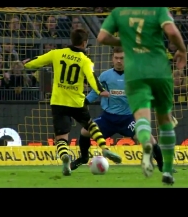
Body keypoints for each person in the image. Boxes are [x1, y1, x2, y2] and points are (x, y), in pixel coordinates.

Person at [97, 7, 187, 185]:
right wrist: (182, 50)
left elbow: (101, 38)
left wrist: (123, 40)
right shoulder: (158, 10)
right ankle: (167, 170)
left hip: (135, 72)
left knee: (142, 120)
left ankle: (145, 141)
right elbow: (172, 31)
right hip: (159, 69)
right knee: (166, 122)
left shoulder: (118, 12)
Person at [23, 28, 122, 176]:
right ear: (84, 42)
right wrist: (101, 91)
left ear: (72, 40)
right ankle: (105, 148)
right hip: (76, 102)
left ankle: (65, 156)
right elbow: (92, 78)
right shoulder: (85, 60)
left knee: (61, 138)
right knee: (90, 125)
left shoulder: (56, 53)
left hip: (58, 102)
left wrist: (25, 64)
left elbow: (36, 62)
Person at [70, 46, 178, 173]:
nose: (119, 61)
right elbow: (96, 92)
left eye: (122, 58)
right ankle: (83, 158)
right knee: (85, 131)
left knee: (149, 139)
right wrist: (83, 103)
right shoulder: (105, 76)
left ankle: (162, 166)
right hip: (108, 118)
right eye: (116, 58)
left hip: (128, 119)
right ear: (112, 59)